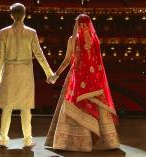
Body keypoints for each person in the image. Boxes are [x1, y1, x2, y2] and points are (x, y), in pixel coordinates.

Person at [45, 14, 120, 152]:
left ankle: (76, 142)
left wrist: (56, 75)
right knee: (97, 106)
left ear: (77, 24)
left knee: (75, 104)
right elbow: (98, 64)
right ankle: (107, 141)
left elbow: (67, 60)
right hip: (94, 81)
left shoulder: (73, 40)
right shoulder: (95, 40)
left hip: (76, 78)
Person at [0, 3, 53, 148]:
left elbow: (0, 56)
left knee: (7, 107)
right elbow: (39, 55)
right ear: (25, 14)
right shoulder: (31, 32)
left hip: (9, 71)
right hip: (25, 73)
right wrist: (49, 72)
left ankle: (2, 139)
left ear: (11, 15)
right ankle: (27, 140)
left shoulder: (3, 32)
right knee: (25, 108)